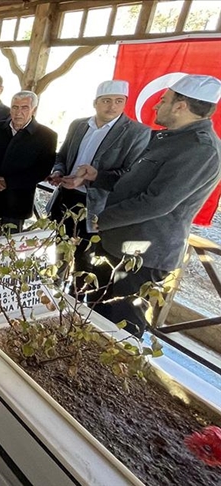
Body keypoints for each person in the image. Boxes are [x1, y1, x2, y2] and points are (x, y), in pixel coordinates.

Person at [68, 75, 221, 337]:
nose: (155, 106)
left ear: (180, 106)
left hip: (142, 255)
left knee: (120, 326)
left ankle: (113, 378)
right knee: (94, 315)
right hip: (118, 244)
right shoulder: (169, 139)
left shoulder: (200, 149)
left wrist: (101, 220)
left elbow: (156, 202)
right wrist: (98, 176)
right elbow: (134, 182)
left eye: (163, 100)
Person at [46, 80, 150, 278]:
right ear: (95, 103)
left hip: (98, 206)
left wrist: (89, 179)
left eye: (119, 101)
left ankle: (76, 301)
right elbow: (63, 155)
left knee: (86, 260)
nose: (112, 106)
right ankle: (54, 292)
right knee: (59, 251)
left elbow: (131, 177)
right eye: (106, 100)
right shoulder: (79, 125)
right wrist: (58, 172)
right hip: (66, 197)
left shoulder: (137, 133)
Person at [0, 91, 57, 238]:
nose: (18, 112)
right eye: (15, 107)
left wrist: (8, 182)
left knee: (6, 250)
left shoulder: (47, 136)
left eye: (24, 108)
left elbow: (41, 170)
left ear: (34, 110)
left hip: (16, 203)